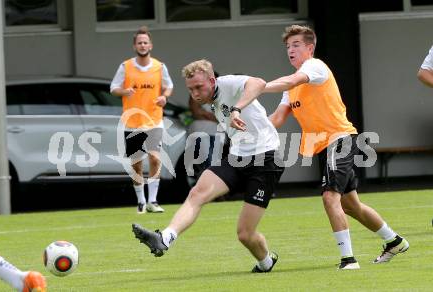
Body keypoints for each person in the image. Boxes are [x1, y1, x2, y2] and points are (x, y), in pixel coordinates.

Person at [266, 25, 409, 270]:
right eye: (288, 46)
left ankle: (348, 260)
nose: (291, 50)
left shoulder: (314, 67)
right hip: (326, 146)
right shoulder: (290, 88)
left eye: (296, 45)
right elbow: (276, 119)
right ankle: (394, 240)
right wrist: (247, 126)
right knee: (350, 205)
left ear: (310, 48)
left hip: (340, 139)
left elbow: (292, 79)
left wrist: (258, 86)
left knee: (329, 197)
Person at [132, 59, 285, 273]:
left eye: (199, 87)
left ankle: (266, 262)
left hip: (265, 160)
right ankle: (165, 238)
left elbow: (258, 83)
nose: (194, 93)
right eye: (190, 89)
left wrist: (237, 109)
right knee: (197, 193)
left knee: (245, 234)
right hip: (237, 157)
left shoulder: (229, 84)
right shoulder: (210, 100)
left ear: (212, 80)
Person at [111, 26, 174, 214]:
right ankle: (141, 200)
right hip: (132, 122)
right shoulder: (125, 67)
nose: (143, 45)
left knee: (155, 158)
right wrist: (124, 91)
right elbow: (113, 88)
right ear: (134, 46)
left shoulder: (159, 67)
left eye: (145, 42)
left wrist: (165, 97)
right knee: (136, 163)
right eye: (139, 42)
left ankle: (153, 201)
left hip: (154, 120)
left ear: (150, 45)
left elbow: (169, 86)